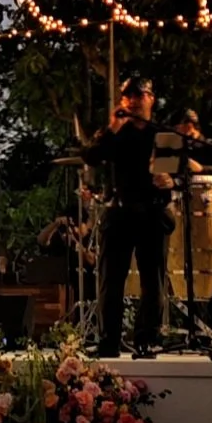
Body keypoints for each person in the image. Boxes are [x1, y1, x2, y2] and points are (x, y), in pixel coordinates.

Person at [82, 76, 176, 358]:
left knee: (153, 282)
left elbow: (184, 167)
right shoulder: (116, 134)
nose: (132, 101)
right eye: (128, 96)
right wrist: (112, 127)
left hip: (152, 211)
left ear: (151, 99)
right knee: (111, 280)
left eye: (139, 95)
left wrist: (172, 180)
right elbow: (90, 156)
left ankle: (146, 340)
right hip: (120, 211)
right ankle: (109, 341)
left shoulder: (163, 135)